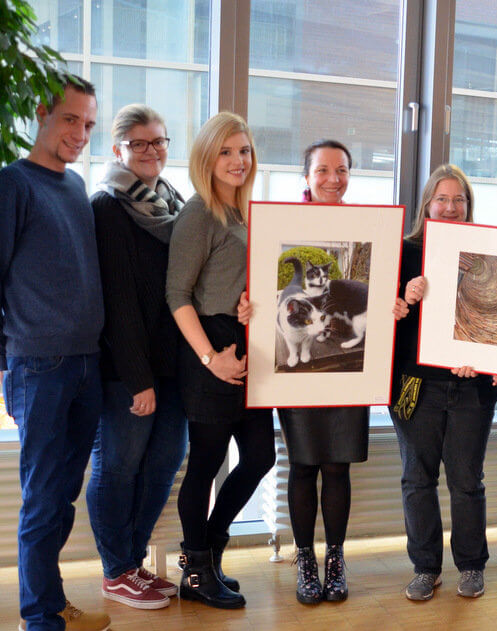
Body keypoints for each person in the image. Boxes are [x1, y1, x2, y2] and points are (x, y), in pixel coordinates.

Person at [0, 77, 112, 631]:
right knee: (42, 500)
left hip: (85, 364)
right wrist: (11, 357)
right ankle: (39, 619)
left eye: (89, 124)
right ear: (42, 114)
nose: (80, 133)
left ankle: (50, 602)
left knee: (62, 498)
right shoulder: (8, 186)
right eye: (71, 120)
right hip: (40, 368)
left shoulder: (74, 186)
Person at [166, 111, 275, 610]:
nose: (238, 160)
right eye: (226, 151)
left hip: (242, 340)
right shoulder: (200, 213)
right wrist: (211, 358)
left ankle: (207, 551)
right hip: (209, 347)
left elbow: (231, 281)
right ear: (207, 159)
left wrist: (247, 304)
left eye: (244, 150)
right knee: (206, 465)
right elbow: (177, 293)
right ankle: (197, 567)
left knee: (260, 457)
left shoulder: (244, 212)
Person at [85, 104, 187, 610]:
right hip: (127, 370)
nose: (151, 152)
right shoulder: (107, 205)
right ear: (118, 148)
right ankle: (116, 570)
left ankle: (131, 562)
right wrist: (137, 379)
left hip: (173, 363)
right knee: (118, 466)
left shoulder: (174, 201)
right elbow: (118, 300)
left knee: (166, 461)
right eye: (139, 144)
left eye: (159, 142)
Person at [388, 164, 497, 601]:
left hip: (471, 387)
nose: (451, 207)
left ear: (468, 207)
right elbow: (379, 320)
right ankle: (425, 567)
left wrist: (484, 359)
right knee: (417, 478)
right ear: (427, 204)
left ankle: (471, 566)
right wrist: (404, 300)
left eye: (459, 200)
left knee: (467, 479)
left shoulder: (489, 252)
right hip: (414, 384)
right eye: (442, 199)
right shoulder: (403, 251)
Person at [281, 140, 369, 604]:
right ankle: (305, 560)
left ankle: (334, 558)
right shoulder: (283, 225)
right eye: (322, 170)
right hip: (298, 369)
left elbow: (368, 291)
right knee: (303, 464)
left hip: (348, 370)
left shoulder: (363, 227)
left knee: (337, 465)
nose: (332, 178)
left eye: (341, 170)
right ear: (307, 176)